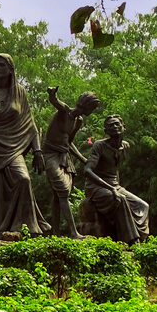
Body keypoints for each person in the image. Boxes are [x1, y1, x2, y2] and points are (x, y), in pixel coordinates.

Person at [0, 54, 50, 237]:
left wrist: (37, 151)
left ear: (10, 69)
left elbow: (30, 123)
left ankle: (21, 229)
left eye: (1, 65)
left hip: (12, 145)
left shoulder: (19, 91)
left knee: (23, 179)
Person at [42, 87, 100, 238]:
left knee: (58, 196)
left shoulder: (78, 121)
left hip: (64, 156)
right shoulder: (65, 111)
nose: (92, 111)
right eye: (92, 107)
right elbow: (55, 102)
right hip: (50, 154)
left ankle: (55, 233)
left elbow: (68, 142)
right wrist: (52, 94)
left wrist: (82, 159)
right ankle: (74, 233)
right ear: (85, 105)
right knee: (61, 189)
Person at [84, 115, 150, 244]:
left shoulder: (125, 146)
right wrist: (111, 188)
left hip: (115, 185)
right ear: (106, 131)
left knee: (143, 205)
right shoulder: (99, 145)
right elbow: (87, 171)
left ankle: (142, 238)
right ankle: (131, 241)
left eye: (117, 124)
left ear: (123, 127)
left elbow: (116, 170)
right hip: (96, 187)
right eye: (110, 126)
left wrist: (117, 187)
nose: (114, 127)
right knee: (121, 199)